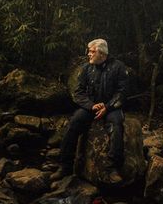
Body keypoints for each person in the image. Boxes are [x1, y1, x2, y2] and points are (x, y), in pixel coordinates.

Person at [51, 38, 128, 184]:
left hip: (111, 107)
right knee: (74, 123)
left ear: (102, 53)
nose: (89, 54)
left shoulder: (118, 67)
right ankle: (65, 166)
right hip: (91, 107)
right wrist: (91, 105)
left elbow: (122, 92)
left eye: (92, 51)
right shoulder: (87, 68)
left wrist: (108, 107)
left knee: (117, 125)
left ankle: (112, 168)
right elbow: (78, 92)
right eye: (89, 51)